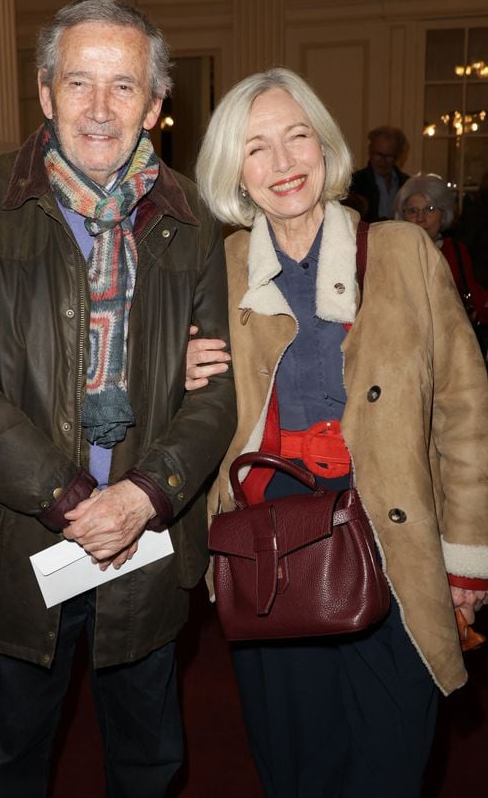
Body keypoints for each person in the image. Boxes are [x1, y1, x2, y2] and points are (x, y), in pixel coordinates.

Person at [0, 0, 235, 798]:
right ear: (45, 93)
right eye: (78, 82)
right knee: (10, 765)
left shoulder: (193, 223)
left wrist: (144, 495)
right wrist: (71, 498)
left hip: (147, 551)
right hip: (18, 546)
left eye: (124, 86)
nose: (98, 109)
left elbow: (218, 392)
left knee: (149, 763)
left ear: (156, 105)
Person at [187, 67, 488, 797]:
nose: (283, 163)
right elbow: (180, 411)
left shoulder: (405, 253)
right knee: (296, 768)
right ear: (235, 169)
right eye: (257, 148)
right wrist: (180, 372)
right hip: (273, 559)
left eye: (298, 138)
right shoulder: (214, 271)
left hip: (394, 548)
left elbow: (465, 413)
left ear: (325, 147)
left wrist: (466, 562)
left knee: (392, 765)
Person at [394, 173, 488, 359]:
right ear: (402, 216)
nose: (420, 218)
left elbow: (475, 295)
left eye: (429, 209)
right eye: (412, 211)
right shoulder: (393, 253)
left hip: (450, 349)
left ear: (443, 214)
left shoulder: (456, 250)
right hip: (405, 349)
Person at [349, 125, 409, 222]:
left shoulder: (407, 183)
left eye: (389, 156)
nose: (382, 161)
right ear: (370, 151)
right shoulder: (355, 182)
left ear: (398, 155)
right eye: (378, 155)